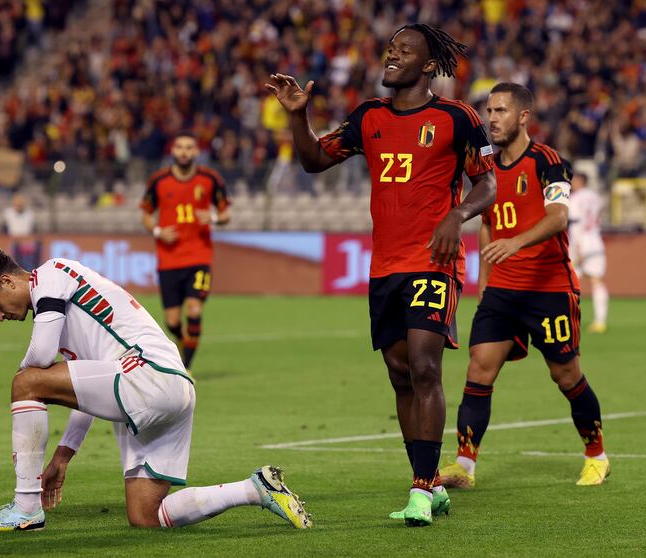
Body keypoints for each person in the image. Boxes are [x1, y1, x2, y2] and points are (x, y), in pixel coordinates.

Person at [266, 23, 496, 526]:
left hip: (434, 260)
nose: (392, 55)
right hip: (385, 265)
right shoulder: (368, 117)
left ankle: (419, 489)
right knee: (399, 373)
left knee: (425, 365)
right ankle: (432, 484)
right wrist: (299, 117)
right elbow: (314, 161)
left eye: (404, 50)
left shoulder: (458, 118)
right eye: (390, 49)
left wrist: (457, 215)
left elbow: (487, 185)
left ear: (428, 65)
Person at [0, 249, 310, 531]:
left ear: (8, 281)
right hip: (173, 386)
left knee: (25, 382)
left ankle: (25, 508)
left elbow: (39, 357)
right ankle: (256, 489)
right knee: (146, 515)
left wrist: (24, 388)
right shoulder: (67, 314)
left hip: (145, 374)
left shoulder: (50, 273)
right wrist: (63, 456)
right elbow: (87, 392)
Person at [439, 83, 609, 490]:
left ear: (522, 117)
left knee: (565, 375)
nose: (492, 118)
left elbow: (558, 216)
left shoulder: (549, 162)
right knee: (479, 368)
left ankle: (596, 455)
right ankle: (465, 464)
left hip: (549, 288)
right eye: (489, 111)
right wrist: (485, 279)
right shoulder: (485, 168)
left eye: (500, 111)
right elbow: (486, 224)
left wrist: (515, 242)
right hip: (503, 291)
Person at [140, 131, 230, 371]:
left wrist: (211, 217)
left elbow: (225, 214)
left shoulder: (210, 179)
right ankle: (182, 340)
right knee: (171, 321)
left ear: (196, 152)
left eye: (189, 147)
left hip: (199, 256)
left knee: (194, 308)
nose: (184, 151)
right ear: (173, 151)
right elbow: (146, 214)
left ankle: (186, 368)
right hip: (168, 259)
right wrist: (158, 231)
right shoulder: (159, 181)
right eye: (179, 147)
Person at [568, 172, 609, 333]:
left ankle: (569, 318)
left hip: (580, 243)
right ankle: (600, 321)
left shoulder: (575, 199)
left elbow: (576, 223)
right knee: (597, 281)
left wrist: (577, 248)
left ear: (579, 181)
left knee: (569, 282)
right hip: (595, 241)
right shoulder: (595, 197)